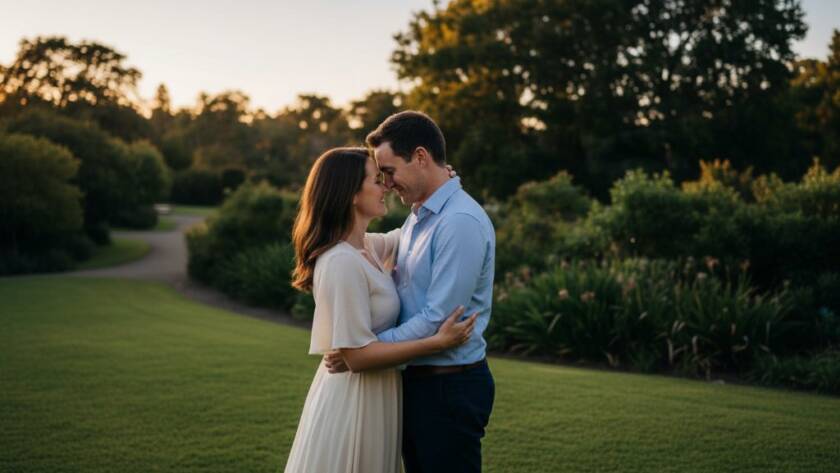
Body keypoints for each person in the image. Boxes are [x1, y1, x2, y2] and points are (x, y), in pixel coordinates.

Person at [283, 146, 477, 473]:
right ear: (350, 194)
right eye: (376, 180)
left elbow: (414, 232)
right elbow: (357, 359)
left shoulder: (369, 247)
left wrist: (437, 183)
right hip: (354, 401)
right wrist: (436, 343)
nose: (386, 186)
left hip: (379, 393)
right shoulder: (341, 261)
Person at [327, 111, 496, 473]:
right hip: (419, 382)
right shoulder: (420, 215)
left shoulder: (458, 222)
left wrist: (365, 349)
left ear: (420, 157)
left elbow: (438, 319)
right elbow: (364, 246)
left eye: (389, 171)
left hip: (449, 388)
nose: (387, 184)